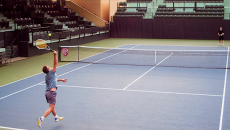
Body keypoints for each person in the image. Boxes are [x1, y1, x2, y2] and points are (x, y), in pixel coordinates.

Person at [38, 50, 67, 128]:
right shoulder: (52, 72)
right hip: (51, 93)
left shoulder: (47, 76)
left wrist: (61, 80)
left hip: (47, 93)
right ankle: (41, 118)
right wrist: (54, 55)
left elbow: (54, 80)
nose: (50, 67)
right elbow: (55, 63)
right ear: (48, 70)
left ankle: (56, 117)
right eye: (48, 67)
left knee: (52, 106)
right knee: (51, 107)